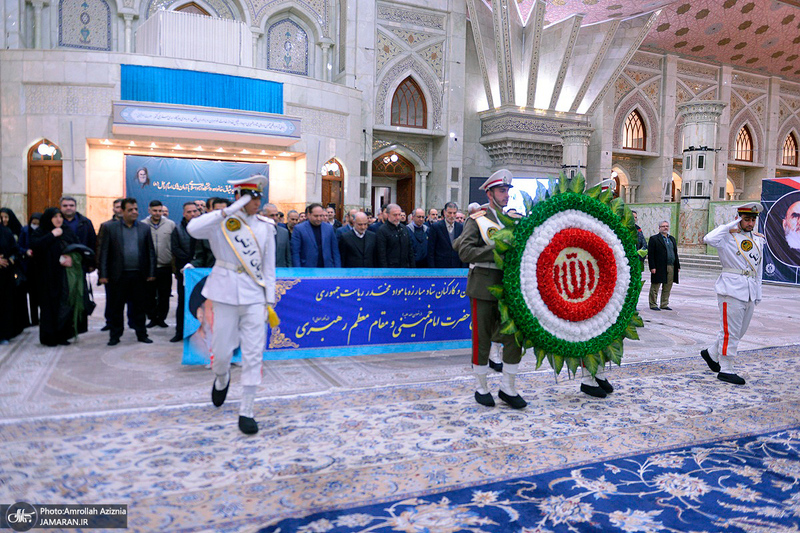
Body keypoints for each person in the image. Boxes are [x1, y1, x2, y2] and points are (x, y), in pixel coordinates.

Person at [187, 175, 276, 435]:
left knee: (253, 354)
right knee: (221, 352)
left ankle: (247, 410)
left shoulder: (266, 226)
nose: (257, 202)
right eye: (251, 197)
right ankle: (222, 376)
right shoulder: (220, 222)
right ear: (239, 197)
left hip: (254, 295)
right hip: (224, 294)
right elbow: (193, 229)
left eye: (259, 197)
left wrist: (268, 301)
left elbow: (269, 267)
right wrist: (227, 211)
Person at [455, 169, 526, 409]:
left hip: (508, 288)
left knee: (513, 336)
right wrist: (496, 248)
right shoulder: (477, 218)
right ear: (490, 193)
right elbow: (465, 252)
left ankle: (508, 388)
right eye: (502, 191)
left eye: (507, 191)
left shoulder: (512, 220)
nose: (506, 195)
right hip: (483, 286)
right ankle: (481, 387)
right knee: (482, 337)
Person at [700, 203, 765, 385]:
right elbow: (708, 238)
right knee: (730, 332)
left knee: (739, 331)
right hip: (731, 289)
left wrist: (758, 292)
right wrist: (730, 226)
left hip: (750, 290)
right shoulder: (726, 237)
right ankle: (726, 369)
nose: (750, 223)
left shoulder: (758, 240)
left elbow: (758, 269)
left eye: (753, 220)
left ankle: (711, 353)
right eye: (746, 219)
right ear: (738, 219)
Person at [98, 198, 157, 346]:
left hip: (139, 275)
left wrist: (151, 272)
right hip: (118, 275)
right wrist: (103, 274)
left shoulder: (144, 228)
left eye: (136, 209)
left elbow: (150, 252)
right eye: (130, 210)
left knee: (139, 307)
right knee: (116, 308)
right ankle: (115, 336)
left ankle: (141, 334)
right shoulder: (109, 228)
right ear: (122, 211)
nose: (134, 212)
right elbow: (103, 252)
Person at [30, 208, 91, 346]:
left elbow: (78, 248)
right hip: (47, 277)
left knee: (64, 306)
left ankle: (63, 335)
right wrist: (52, 235)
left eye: (60, 216)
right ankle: (49, 337)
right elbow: (36, 247)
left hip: (65, 276)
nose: (58, 219)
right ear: (48, 219)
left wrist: (72, 259)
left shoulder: (66, 231)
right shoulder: (41, 232)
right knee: (49, 307)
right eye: (55, 217)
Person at [171, 201, 200, 342]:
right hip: (184, 272)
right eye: (189, 212)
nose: (192, 214)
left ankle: (198, 333)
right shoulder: (177, 229)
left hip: (200, 272)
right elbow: (175, 249)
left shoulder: (204, 228)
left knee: (200, 303)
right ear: (184, 214)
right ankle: (179, 332)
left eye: (195, 211)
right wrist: (190, 261)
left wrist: (197, 262)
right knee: (183, 302)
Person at [143, 200, 176, 329]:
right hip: (148, 267)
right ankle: (152, 318)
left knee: (164, 295)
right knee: (149, 295)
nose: (157, 213)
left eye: (160, 211)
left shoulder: (170, 225)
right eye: (155, 211)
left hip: (165, 266)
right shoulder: (142, 225)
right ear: (149, 210)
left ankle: (161, 318)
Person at [0, 207, 30, 334]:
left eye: (6, 217)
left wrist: (11, 259)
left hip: (12, 270)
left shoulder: (13, 231)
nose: (4, 219)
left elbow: (17, 248)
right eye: (2, 217)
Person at [291, 203, 341, 268]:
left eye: (321, 216)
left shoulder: (329, 228)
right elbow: (295, 253)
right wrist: (298, 270)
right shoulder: (299, 229)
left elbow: (335, 251)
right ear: (309, 215)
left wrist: (337, 269)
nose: (319, 218)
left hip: (327, 268)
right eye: (316, 216)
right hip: (307, 268)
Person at [647, 220, 680, 310]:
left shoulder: (672, 239)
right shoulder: (654, 239)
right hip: (659, 266)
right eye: (663, 226)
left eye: (667, 226)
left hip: (671, 266)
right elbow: (651, 254)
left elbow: (675, 253)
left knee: (668, 286)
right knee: (655, 286)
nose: (665, 228)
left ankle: (664, 304)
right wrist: (652, 267)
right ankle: (653, 304)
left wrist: (677, 266)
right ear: (659, 228)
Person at [191, 198, 229, 268]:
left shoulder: (237, 231)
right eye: (217, 210)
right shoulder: (205, 232)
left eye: (223, 211)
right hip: (211, 271)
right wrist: (192, 265)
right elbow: (200, 257)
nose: (220, 213)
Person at [428, 202, 465, 268]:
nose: (452, 216)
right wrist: (432, 269)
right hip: (440, 267)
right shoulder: (436, 227)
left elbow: (463, 248)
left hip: (456, 266)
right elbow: (431, 250)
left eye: (454, 213)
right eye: (449, 213)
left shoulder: (460, 227)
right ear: (444, 212)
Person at [19, 212, 41, 326]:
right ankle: (34, 319)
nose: (35, 226)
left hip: (41, 266)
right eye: (34, 223)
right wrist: (26, 251)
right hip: (29, 267)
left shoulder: (43, 231)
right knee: (32, 295)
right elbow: (19, 246)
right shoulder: (25, 230)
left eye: (37, 223)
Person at [376, 203, 414, 268]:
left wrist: (412, 267)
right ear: (388, 215)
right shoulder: (382, 230)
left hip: (405, 267)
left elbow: (410, 250)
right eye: (395, 215)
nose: (397, 217)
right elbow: (381, 254)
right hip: (390, 268)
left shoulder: (404, 228)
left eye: (399, 215)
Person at [0, 222, 20, 344]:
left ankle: (4, 334)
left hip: (4, 275)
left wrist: (11, 259)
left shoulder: (6, 231)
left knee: (4, 303)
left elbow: (15, 249)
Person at [263, 203, 292, 267]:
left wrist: (289, 270)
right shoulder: (258, 232)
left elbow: (288, 256)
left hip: (281, 270)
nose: (275, 218)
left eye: (276, 215)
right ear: (264, 216)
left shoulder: (284, 232)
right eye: (272, 215)